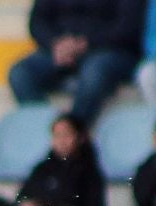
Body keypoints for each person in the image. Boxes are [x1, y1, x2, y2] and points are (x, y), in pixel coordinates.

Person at [8, 0, 147, 127]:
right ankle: (48, 133)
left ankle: (73, 133)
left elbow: (129, 27)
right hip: (59, 48)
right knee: (20, 73)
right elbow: (37, 21)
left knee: (94, 73)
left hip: (109, 49)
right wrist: (55, 43)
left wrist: (85, 43)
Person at [16, 112, 108, 206]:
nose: (61, 140)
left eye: (66, 135)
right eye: (57, 135)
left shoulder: (89, 173)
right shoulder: (42, 169)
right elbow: (22, 199)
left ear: (79, 137)